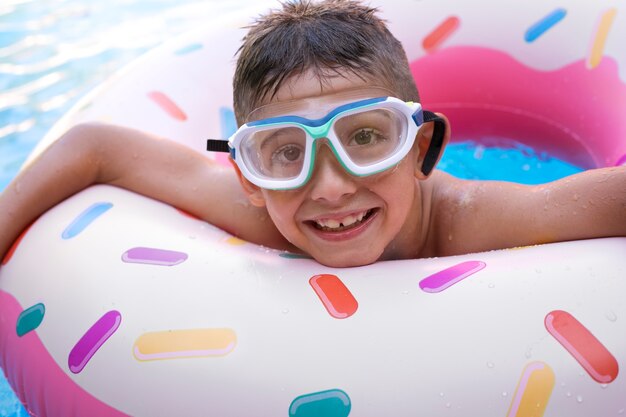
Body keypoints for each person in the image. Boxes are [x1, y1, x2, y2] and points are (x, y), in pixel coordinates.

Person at [0, 0, 624, 268]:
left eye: (365, 138)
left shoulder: (472, 220)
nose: (329, 187)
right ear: (248, 177)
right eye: (286, 154)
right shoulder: (267, 216)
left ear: (423, 149)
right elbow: (96, 147)